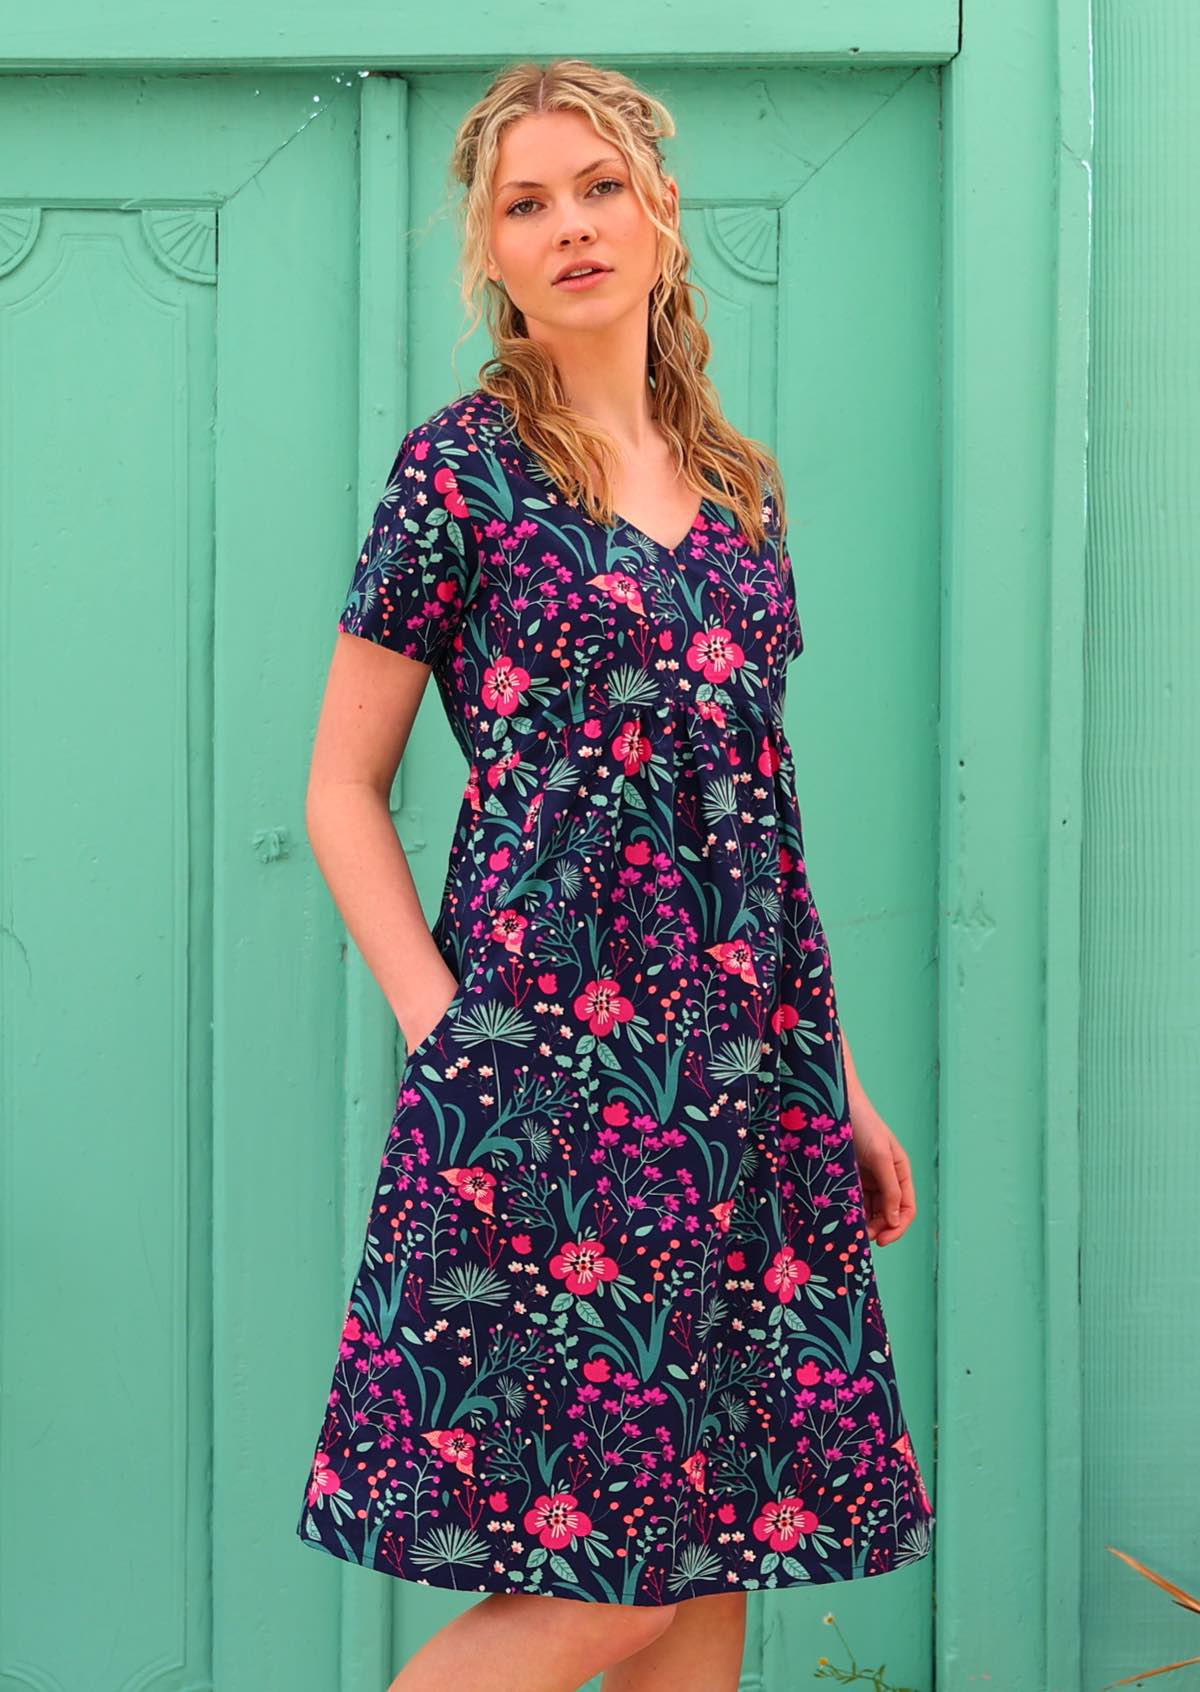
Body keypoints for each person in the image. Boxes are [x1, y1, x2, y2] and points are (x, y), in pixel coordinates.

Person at [296, 55, 934, 1692]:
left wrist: (839, 1077)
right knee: (612, 1580)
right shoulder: (457, 477)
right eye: (527, 203)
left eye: (597, 188)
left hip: (747, 1081)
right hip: (548, 1075)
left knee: (716, 1551)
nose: (568, 224)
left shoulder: (743, 491)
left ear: (658, 214)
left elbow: (758, 825)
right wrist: (449, 1029)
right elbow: (341, 790)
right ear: (490, 256)